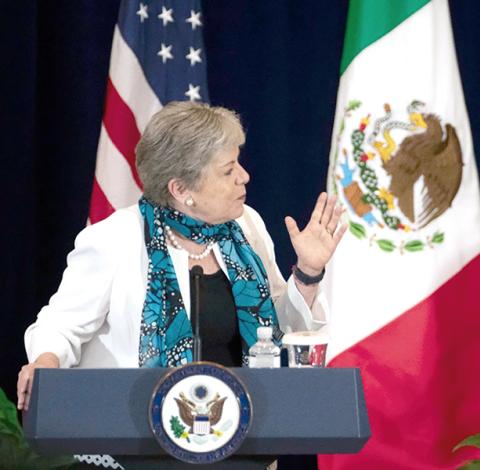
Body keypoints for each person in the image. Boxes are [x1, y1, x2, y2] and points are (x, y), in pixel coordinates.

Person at [17, 101, 347, 412]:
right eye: (228, 170)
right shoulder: (114, 239)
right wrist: (45, 362)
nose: (244, 176)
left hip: (242, 429)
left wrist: (308, 271)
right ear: (181, 190)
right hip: (138, 433)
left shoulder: (246, 226)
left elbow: (277, 328)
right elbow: (62, 324)